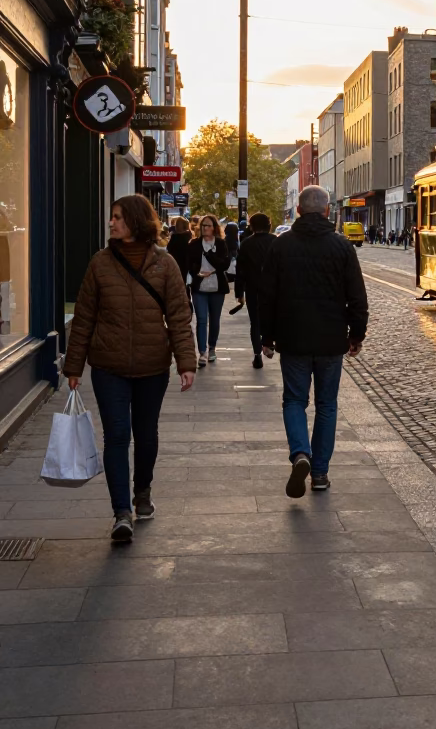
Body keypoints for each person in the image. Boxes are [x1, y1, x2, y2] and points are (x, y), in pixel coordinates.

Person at [63, 195, 196, 542]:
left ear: (136, 221)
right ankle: (122, 511)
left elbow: (179, 316)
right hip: (109, 366)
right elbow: (84, 318)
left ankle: (143, 491)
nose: (112, 222)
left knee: (147, 434)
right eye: (111, 217)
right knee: (117, 436)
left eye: (118, 217)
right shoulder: (100, 263)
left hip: (153, 366)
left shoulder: (164, 265)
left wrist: (186, 362)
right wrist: (73, 365)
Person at [260, 185, 368, 498]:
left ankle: (300, 453)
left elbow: (267, 296)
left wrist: (266, 337)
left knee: (294, 400)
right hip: (331, 339)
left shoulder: (281, 246)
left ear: (298, 211)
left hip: (292, 338)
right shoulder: (342, 246)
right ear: (327, 212)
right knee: (326, 405)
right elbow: (356, 297)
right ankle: (319, 472)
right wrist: (356, 334)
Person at [186, 215, 231, 367]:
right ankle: (202, 352)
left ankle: (212, 348)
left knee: (215, 319)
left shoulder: (220, 243)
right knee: (201, 320)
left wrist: (209, 255)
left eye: (209, 225)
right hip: (199, 286)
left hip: (217, 287)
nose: (205, 228)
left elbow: (224, 264)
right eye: (203, 225)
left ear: (214, 228)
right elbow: (189, 263)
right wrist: (196, 272)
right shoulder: (193, 244)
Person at [235, 212, 276, 369]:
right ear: (268, 225)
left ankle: (257, 354)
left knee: (255, 322)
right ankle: (270, 344)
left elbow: (241, 271)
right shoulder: (275, 242)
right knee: (273, 317)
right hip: (273, 288)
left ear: (251, 226)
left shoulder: (246, 244)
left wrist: (240, 293)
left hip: (253, 289)